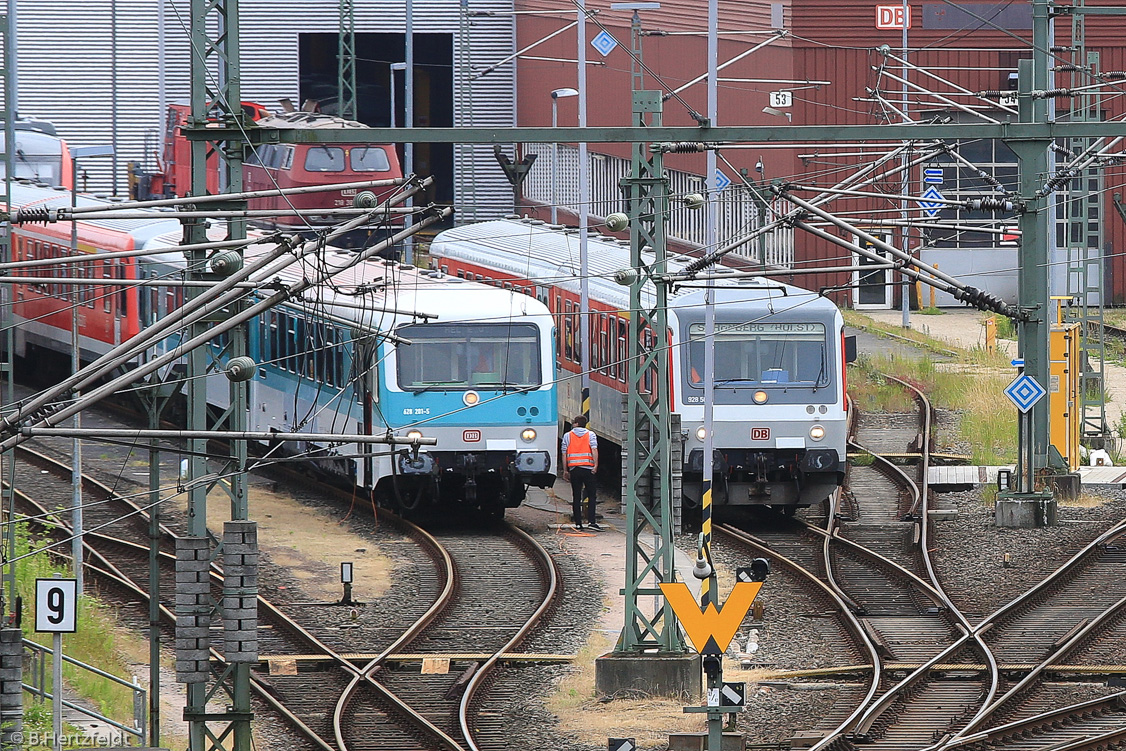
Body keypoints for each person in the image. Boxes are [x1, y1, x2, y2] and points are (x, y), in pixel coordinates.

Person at [561, 414, 600, 530]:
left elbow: (564, 453)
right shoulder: (591, 435)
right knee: (592, 495)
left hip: (575, 470)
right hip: (588, 469)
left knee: (576, 496)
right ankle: (591, 522)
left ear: (576, 424)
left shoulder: (568, 436)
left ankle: (578, 523)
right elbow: (594, 449)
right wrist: (595, 465)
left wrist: (565, 470)